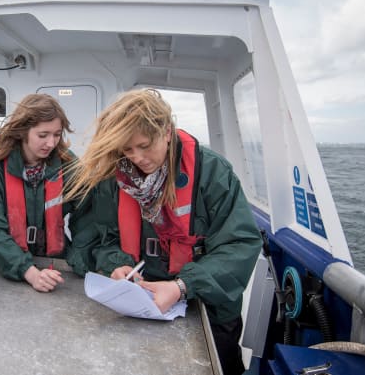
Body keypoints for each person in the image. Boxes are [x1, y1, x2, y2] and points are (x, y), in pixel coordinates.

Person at [64, 88, 261, 375]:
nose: (137, 158)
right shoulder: (112, 178)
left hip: (205, 307)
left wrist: (181, 287)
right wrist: (116, 265)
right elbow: (101, 239)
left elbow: (240, 244)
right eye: (127, 150)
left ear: (166, 132)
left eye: (145, 145)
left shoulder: (213, 172)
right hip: (138, 306)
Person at [0, 94, 96, 292]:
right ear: (22, 132)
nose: (51, 143)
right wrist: (29, 271)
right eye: (43, 135)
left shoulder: (68, 165)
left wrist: (80, 261)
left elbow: (90, 216)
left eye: (57, 134)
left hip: (56, 266)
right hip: (7, 268)